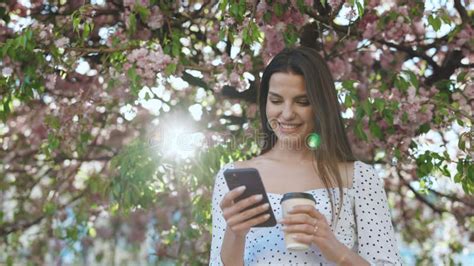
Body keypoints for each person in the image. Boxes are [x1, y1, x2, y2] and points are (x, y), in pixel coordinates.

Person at [209, 47, 401, 265]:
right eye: (276, 100)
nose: (288, 113)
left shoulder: (359, 178)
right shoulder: (233, 178)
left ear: (320, 104)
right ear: (265, 103)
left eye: (302, 102)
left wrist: (332, 246)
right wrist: (235, 234)